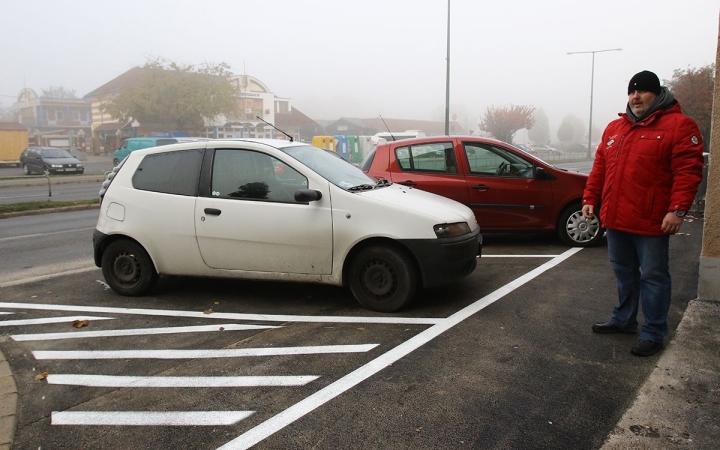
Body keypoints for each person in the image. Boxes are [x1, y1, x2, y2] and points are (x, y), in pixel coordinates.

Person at [582, 70, 704, 357]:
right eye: (632, 91)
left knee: (653, 276)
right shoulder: (615, 128)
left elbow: (687, 172)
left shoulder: (679, 125)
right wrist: (590, 197)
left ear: (657, 93)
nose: (636, 96)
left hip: (651, 221)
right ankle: (623, 320)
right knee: (624, 273)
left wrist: (677, 210)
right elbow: (600, 168)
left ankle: (654, 331)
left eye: (642, 91)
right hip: (616, 218)